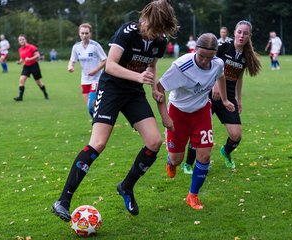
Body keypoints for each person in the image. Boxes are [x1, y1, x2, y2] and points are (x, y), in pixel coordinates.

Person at [51, 0, 179, 222]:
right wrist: (139, 77)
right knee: (98, 143)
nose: (155, 34)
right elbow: (110, 65)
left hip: (133, 92)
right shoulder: (128, 32)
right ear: (146, 18)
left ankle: (126, 187)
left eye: (160, 31)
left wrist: (153, 87)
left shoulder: (159, 40)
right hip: (111, 89)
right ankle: (63, 200)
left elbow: (151, 65)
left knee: (155, 141)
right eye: (154, 28)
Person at [156, 33, 235, 210]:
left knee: (205, 155)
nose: (206, 61)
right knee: (177, 159)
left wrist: (224, 100)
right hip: (178, 113)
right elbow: (159, 88)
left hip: (202, 112)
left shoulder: (218, 63)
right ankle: (171, 161)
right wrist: (165, 117)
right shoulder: (181, 66)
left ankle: (193, 195)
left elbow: (220, 76)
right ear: (195, 49)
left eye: (210, 57)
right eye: (202, 56)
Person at [183, 20, 261, 173]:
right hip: (209, 95)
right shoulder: (223, 47)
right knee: (199, 131)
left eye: (245, 33)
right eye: (239, 32)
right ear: (235, 32)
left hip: (229, 98)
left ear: (249, 36)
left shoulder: (245, 55)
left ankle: (226, 151)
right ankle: (188, 163)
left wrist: (239, 99)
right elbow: (207, 65)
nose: (242, 35)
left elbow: (239, 78)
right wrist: (214, 86)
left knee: (236, 135)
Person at [68, 23, 107, 117]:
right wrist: (70, 66)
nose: (84, 35)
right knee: (90, 108)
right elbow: (72, 60)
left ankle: (98, 125)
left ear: (90, 34)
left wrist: (95, 70)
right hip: (84, 80)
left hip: (96, 79)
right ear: (79, 34)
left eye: (86, 33)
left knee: (91, 106)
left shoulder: (95, 46)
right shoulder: (76, 47)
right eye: (82, 33)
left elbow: (105, 60)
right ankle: (98, 124)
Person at [14, 34, 49, 101]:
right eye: (20, 40)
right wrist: (19, 62)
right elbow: (22, 58)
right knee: (21, 80)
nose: (21, 41)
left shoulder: (31, 47)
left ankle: (45, 93)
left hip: (34, 65)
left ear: (25, 40)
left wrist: (30, 59)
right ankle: (20, 97)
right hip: (26, 66)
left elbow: (38, 55)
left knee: (39, 83)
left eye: (22, 39)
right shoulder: (20, 49)